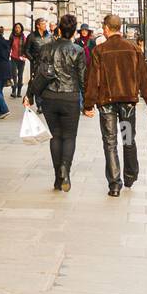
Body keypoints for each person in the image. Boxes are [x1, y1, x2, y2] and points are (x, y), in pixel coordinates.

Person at [84, 13, 147, 197]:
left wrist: (88, 104)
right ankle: (130, 175)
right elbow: (144, 77)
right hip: (127, 103)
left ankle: (115, 184)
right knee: (127, 138)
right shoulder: (133, 48)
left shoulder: (99, 51)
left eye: (103, 27)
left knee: (109, 142)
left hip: (107, 103)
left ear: (107, 29)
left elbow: (93, 79)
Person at [24, 14, 89, 192]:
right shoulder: (78, 50)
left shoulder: (46, 48)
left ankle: (57, 178)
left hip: (50, 97)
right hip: (70, 97)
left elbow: (37, 74)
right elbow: (83, 79)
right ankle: (65, 170)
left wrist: (29, 95)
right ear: (74, 31)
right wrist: (89, 104)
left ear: (59, 29)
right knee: (69, 136)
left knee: (56, 136)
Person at [23, 18, 52, 112]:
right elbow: (26, 50)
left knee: (47, 83)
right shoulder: (31, 36)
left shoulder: (50, 36)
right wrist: (33, 60)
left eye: (45, 23)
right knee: (37, 83)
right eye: (43, 24)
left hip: (48, 64)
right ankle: (39, 105)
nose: (45, 25)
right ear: (38, 25)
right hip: (36, 64)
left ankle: (45, 103)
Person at [8, 21, 27, 97]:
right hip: (13, 57)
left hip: (21, 58)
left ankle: (19, 92)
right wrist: (7, 55)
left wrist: (25, 55)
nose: (17, 29)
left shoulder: (23, 37)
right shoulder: (12, 36)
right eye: (16, 27)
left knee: (20, 75)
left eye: (19, 27)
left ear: (21, 29)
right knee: (14, 75)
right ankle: (14, 91)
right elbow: (9, 46)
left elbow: (26, 48)